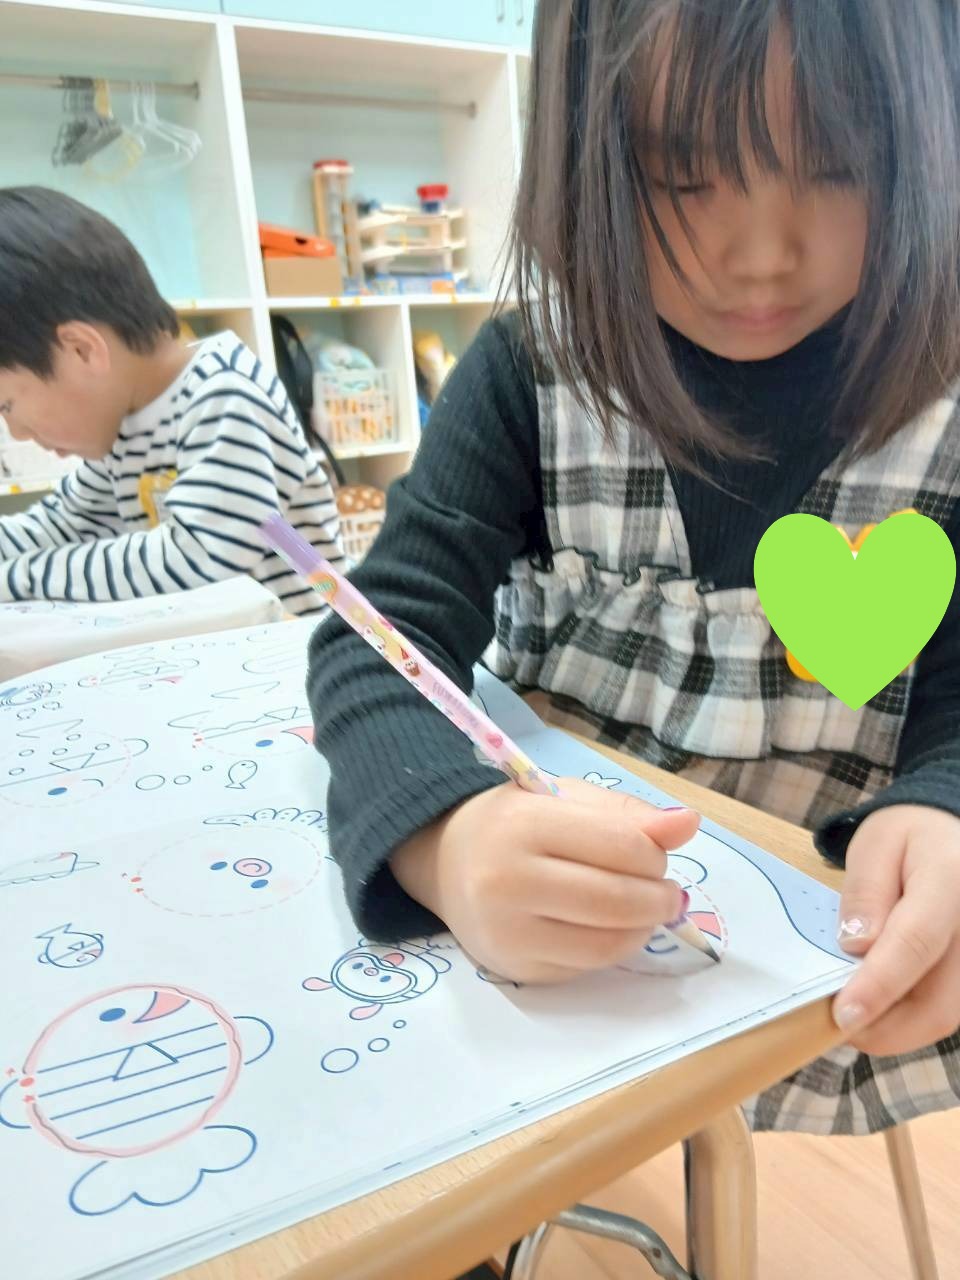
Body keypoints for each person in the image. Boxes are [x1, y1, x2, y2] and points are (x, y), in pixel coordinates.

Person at [308, 0, 960, 1136]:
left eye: (842, 161)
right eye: (683, 172)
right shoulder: (529, 374)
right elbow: (379, 641)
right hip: (546, 983)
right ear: (583, 158)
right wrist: (446, 839)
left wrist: (945, 806)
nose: (762, 254)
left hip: (819, 999)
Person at [0, 187, 342, 614]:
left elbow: (202, 559)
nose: (15, 432)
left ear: (82, 351)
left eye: (7, 405)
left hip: (306, 645)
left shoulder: (224, 393)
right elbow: (60, 526)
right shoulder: (123, 424)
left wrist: (22, 577)